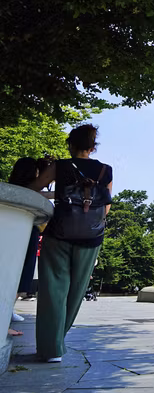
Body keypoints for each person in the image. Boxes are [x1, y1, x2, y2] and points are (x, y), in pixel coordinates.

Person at [29, 124, 113, 362]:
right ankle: (58, 340)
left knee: (53, 288)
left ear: (70, 144)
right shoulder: (105, 170)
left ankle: (52, 348)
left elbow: (33, 188)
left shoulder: (61, 166)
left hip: (60, 233)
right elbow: (106, 205)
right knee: (76, 290)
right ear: (93, 147)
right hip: (92, 236)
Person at [7, 157, 43, 338]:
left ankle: (5, 317)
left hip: (14, 232)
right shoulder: (30, 192)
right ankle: (3, 320)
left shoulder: (11, 190)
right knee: (17, 277)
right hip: (26, 232)